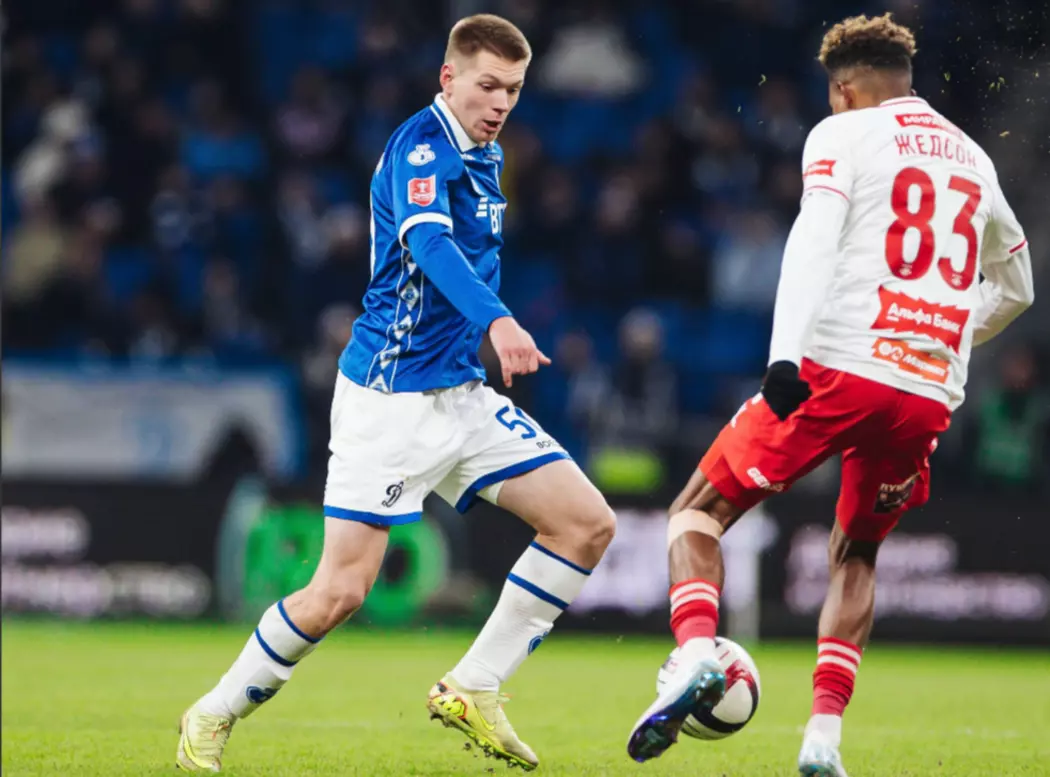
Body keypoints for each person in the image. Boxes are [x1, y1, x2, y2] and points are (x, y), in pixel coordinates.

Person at [175, 14, 616, 773]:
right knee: (339, 592)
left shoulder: (487, 153)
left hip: (460, 393)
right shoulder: (421, 147)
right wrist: (499, 320)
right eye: (488, 85)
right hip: (389, 397)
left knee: (585, 524)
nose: (501, 102)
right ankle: (211, 712)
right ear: (448, 77)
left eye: (513, 89)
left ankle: (474, 686)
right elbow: (428, 242)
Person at [625, 13, 1034, 777]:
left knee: (695, 512)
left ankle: (694, 656)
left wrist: (783, 355)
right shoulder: (975, 158)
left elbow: (813, 236)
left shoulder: (841, 133)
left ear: (843, 89)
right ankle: (822, 740)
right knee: (857, 552)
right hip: (925, 392)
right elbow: (1019, 287)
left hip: (840, 367)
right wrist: (947, 334)